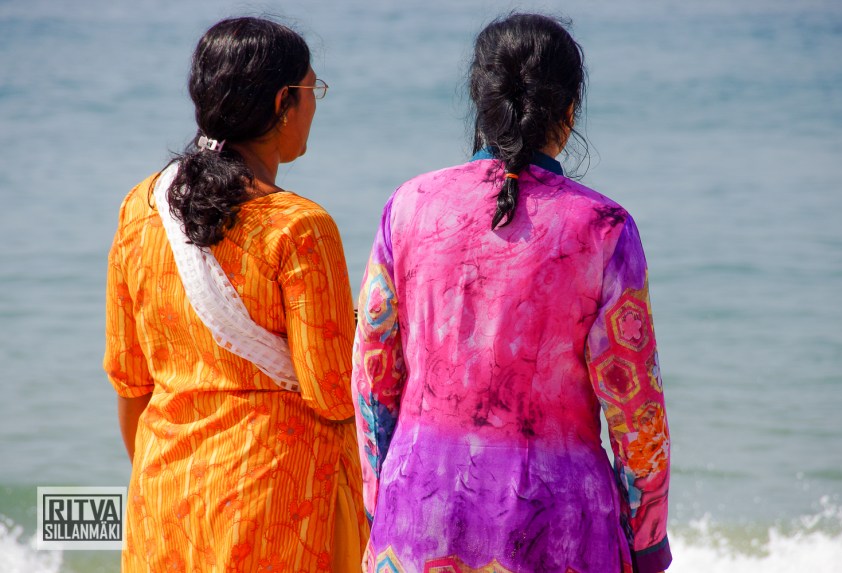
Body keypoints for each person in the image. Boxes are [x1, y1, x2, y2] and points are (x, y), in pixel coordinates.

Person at [352, 13, 671, 573]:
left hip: (417, 517)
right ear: (569, 111)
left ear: (482, 103)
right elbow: (634, 406)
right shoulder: (602, 228)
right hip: (559, 527)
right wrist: (648, 541)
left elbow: (373, 376)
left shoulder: (408, 207)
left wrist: (379, 500)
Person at [104, 17, 367, 572]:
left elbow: (130, 380)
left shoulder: (141, 207)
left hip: (165, 493)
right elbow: (333, 394)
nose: (314, 106)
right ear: (281, 103)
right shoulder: (298, 226)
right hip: (273, 505)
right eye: (312, 90)